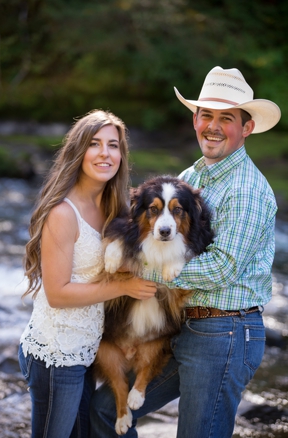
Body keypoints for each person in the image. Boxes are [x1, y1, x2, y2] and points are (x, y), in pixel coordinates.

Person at [90, 66, 280, 437]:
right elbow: (152, 231)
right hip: (183, 326)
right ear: (195, 119)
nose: (212, 125)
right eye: (206, 114)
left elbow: (223, 267)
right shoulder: (191, 177)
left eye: (226, 118)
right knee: (101, 413)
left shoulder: (246, 189)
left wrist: (139, 273)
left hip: (225, 330)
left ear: (247, 127)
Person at [17, 110, 157, 438]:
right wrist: (127, 287)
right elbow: (58, 293)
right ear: (79, 151)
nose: (105, 153)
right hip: (55, 352)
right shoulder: (63, 213)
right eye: (95, 144)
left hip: (85, 350)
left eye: (113, 145)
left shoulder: (115, 207)